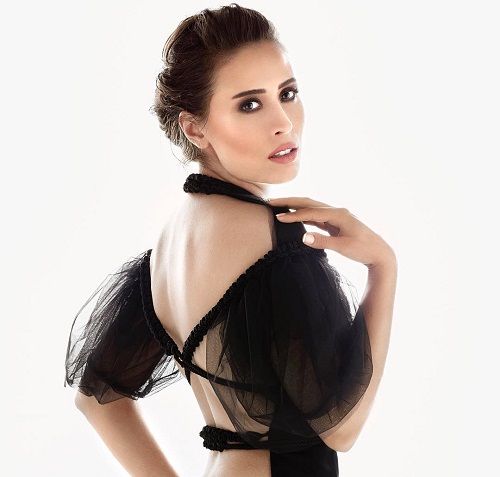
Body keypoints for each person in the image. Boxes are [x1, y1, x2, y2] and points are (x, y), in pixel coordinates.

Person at [64, 4, 397, 476]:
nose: (284, 122)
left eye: (288, 93)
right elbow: (341, 429)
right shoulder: (275, 239)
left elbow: (98, 399)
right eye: (250, 104)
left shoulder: (165, 249)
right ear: (195, 127)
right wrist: (383, 266)